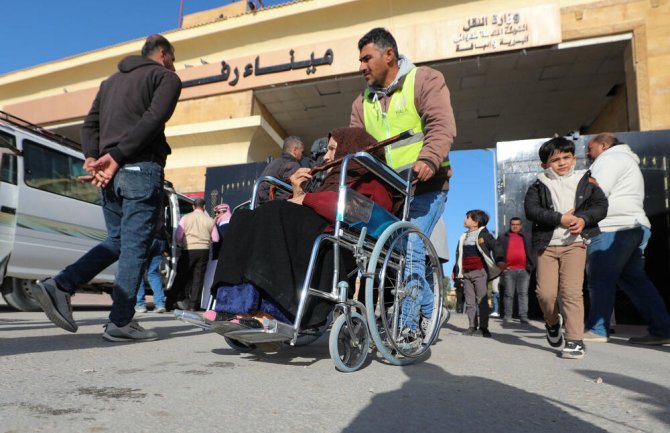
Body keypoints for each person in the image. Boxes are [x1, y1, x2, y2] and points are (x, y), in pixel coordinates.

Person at [31, 34, 181, 342]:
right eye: (173, 57)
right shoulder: (166, 77)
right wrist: (117, 156)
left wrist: (93, 157)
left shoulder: (110, 82)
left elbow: (90, 125)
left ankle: (60, 285)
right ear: (164, 54)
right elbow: (154, 119)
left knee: (118, 241)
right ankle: (120, 322)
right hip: (139, 167)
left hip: (110, 175)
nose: (174, 64)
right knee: (136, 247)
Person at [209, 127, 397, 328]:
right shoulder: (331, 179)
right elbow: (302, 207)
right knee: (242, 217)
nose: (326, 156)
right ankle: (230, 304)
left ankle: (273, 310)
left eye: (332, 149)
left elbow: (352, 210)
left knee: (274, 212)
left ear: (350, 148)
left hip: (336, 240)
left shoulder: (374, 182)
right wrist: (298, 190)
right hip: (310, 230)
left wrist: (305, 197)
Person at [350, 27, 456, 343]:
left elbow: (441, 125)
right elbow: (357, 147)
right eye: (360, 60)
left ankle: (407, 326)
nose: (361, 66)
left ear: (389, 55)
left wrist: (429, 159)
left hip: (426, 185)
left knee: (410, 244)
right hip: (390, 192)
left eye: (366, 58)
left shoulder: (424, 80)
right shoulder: (361, 103)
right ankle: (431, 306)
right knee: (385, 253)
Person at [524, 137, 608, 359]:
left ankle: (574, 340)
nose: (561, 163)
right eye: (555, 159)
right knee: (545, 294)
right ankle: (552, 324)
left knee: (571, 293)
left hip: (575, 244)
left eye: (566, 157)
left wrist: (583, 219)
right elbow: (531, 211)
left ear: (573, 158)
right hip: (546, 245)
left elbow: (600, 206)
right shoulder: (538, 185)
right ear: (545, 165)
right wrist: (560, 218)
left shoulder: (586, 180)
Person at [584, 132, 670, 345]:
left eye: (590, 147)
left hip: (614, 226)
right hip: (634, 226)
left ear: (603, 145)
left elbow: (595, 192)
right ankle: (662, 328)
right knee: (635, 281)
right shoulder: (626, 160)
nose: (587, 152)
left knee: (600, 278)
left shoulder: (609, 159)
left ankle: (597, 329)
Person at [452, 210, 501, 337]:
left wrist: (500, 260)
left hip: (480, 273)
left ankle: (484, 328)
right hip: (466, 274)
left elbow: (496, 246)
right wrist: (456, 271)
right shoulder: (464, 236)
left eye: (468, 218)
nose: (465, 220)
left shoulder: (484, 235)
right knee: (469, 302)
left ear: (476, 222)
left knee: (482, 301)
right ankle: (472, 326)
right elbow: (459, 256)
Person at [172, 198, 217, 311]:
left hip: (188, 250)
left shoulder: (185, 218)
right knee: (198, 279)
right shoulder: (209, 220)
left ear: (193, 206)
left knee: (181, 276)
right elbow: (216, 238)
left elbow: (178, 236)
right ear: (204, 207)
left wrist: (180, 243)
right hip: (203, 251)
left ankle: (172, 302)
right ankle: (193, 306)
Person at [495, 217, 535, 323]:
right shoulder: (503, 237)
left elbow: (533, 251)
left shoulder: (528, 237)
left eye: (517, 224)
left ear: (521, 225)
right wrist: (501, 266)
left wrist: (530, 266)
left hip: (524, 270)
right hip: (508, 270)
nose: (515, 226)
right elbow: (497, 252)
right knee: (508, 294)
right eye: (513, 224)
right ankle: (508, 315)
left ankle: (523, 316)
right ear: (510, 225)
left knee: (523, 294)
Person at [200, 203, 233, 310]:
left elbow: (217, 240)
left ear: (224, 212)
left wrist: (213, 224)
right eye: (215, 213)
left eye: (218, 213)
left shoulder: (224, 225)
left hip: (218, 258)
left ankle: (212, 305)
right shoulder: (228, 224)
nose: (216, 215)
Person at [135, 209, 168, 314]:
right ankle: (160, 304)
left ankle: (140, 305)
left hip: (147, 238)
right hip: (160, 240)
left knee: (139, 272)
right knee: (153, 273)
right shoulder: (160, 205)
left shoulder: (145, 203)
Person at [257, 136, 304, 204]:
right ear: (295, 150)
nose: (302, 156)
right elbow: (295, 192)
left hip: (263, 205)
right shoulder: (293, 165)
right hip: (278, 207)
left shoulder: (272, 164)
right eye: (302, 152)